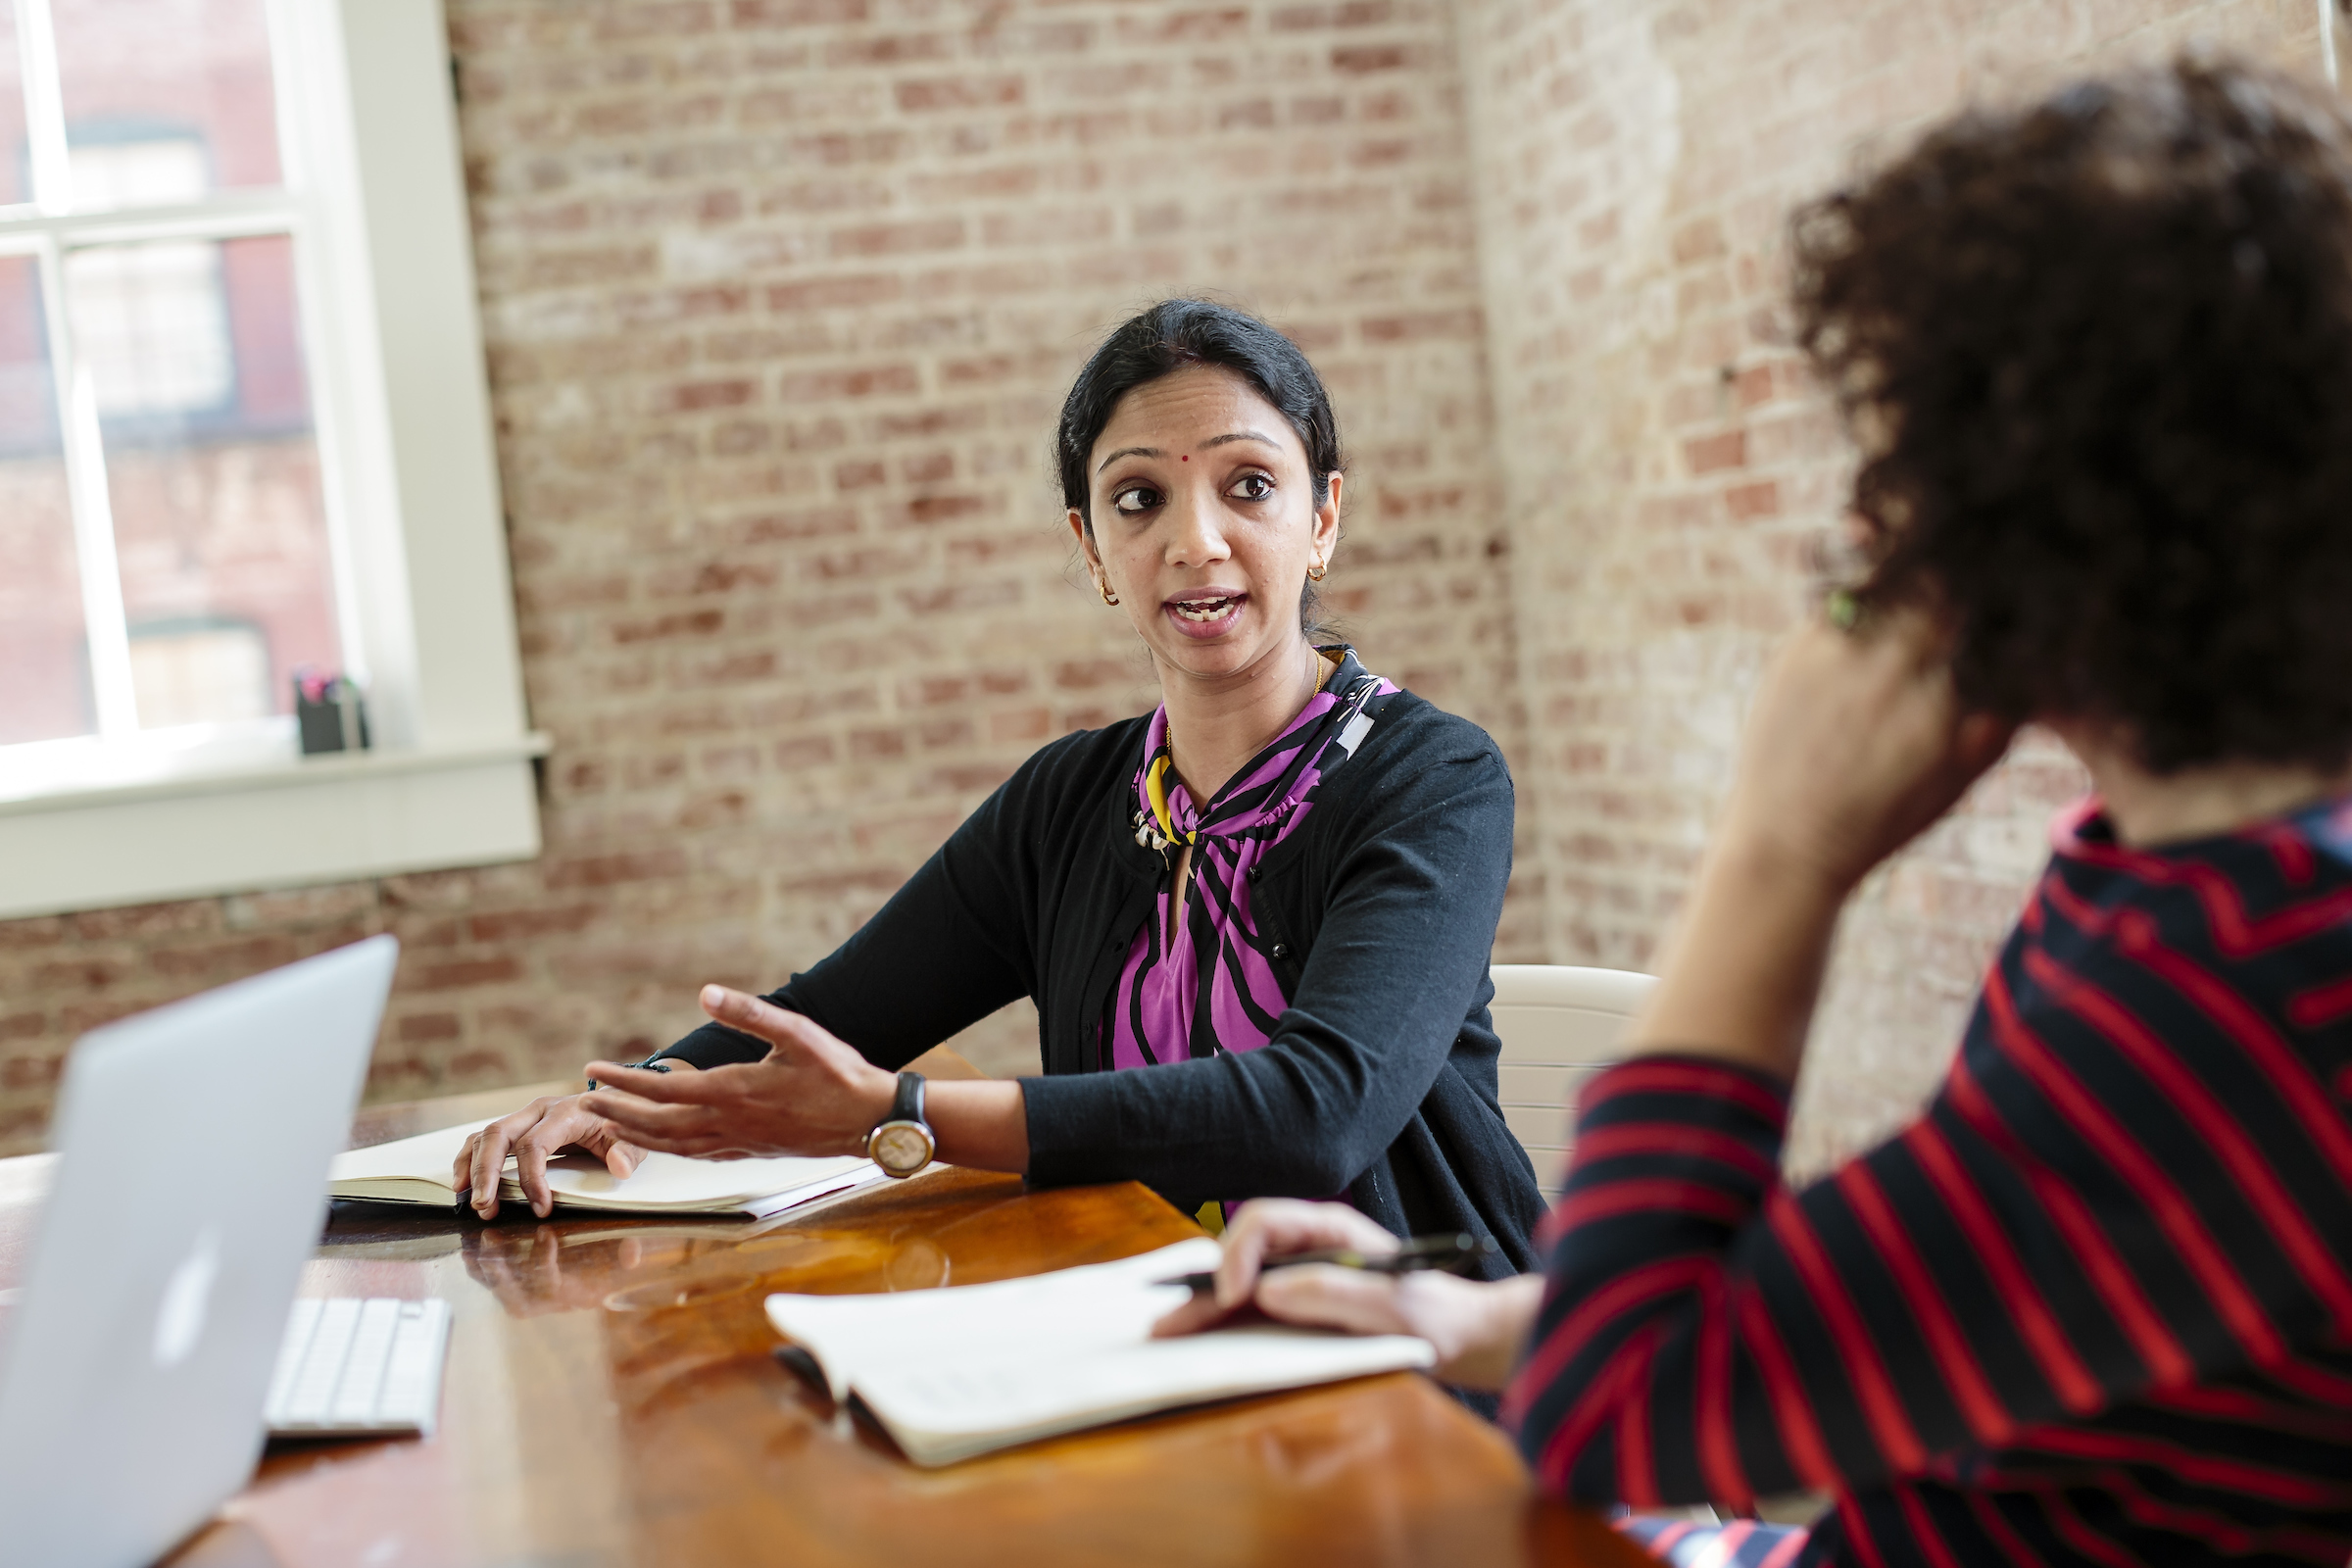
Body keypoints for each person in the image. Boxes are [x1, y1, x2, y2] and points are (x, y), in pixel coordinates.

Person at [1165, 59, 2352, 1567]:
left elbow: (1620, 1404)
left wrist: (1779, 853)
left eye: (1907, 461)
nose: (1864, 525)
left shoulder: (2245, 995)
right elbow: (1883, 1318)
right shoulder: (2185, 885)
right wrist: (1444, 1312)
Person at [455, 299, 1547, 1291]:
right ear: (1093, 548)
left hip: (1423, 1357)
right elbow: (838, 1015)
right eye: (1138, 499)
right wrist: (615, 1106)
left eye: (1250, 486)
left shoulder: (1433, 777)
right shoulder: (1069, 802)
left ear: (1323, 519)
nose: (1195, 541)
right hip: (1145, 1336)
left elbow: (1321, 1111)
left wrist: (902, 1117)